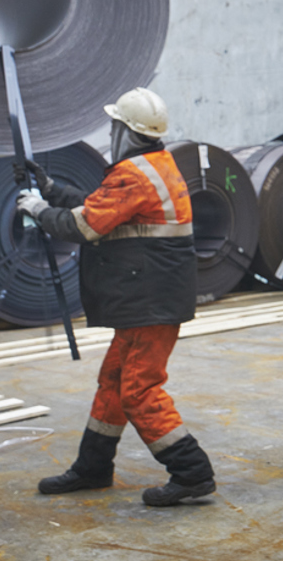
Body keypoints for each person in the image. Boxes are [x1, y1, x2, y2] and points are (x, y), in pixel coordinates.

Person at [14, 87, 216, 507]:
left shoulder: (134, 175)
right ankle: (93, 467)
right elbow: (102, 205)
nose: (110, 133)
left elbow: (84, 225)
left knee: (138, 390)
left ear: (125, 130)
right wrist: (50, 189)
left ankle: (192, 471)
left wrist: (35, 208)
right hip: (148, 301)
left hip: (149, 304)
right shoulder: (154, 166)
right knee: (113, 382)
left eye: (114, 126)